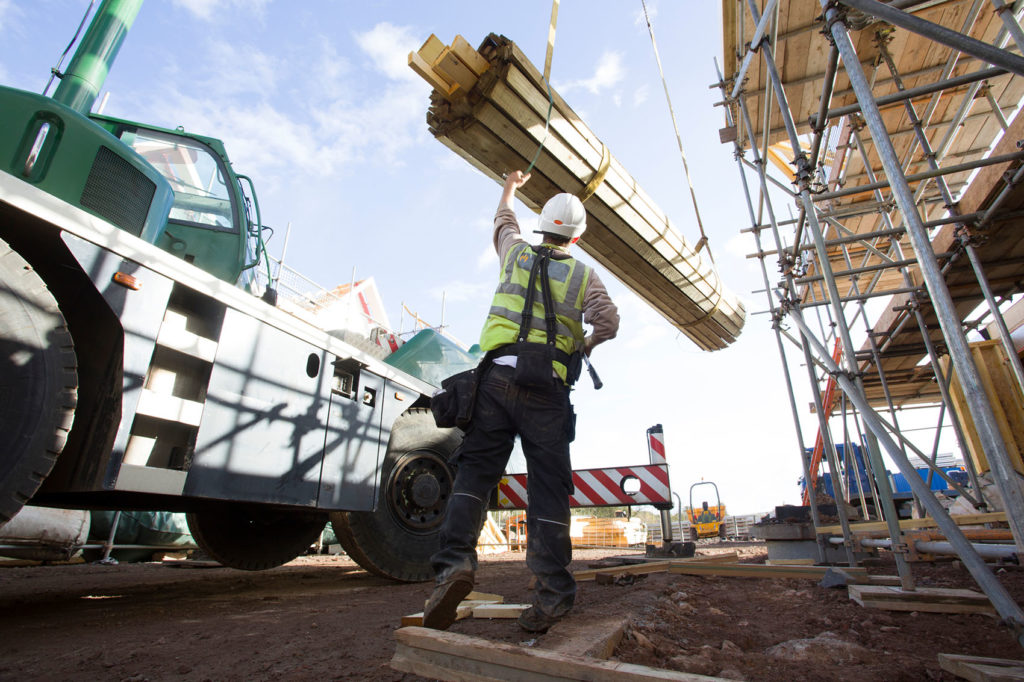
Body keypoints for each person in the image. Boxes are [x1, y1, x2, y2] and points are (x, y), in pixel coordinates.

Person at [423, 170, 620, 634]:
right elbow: (608, 322)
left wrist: (511, 185)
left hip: (493, 381)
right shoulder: (582, 274)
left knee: (474, 473)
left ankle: (454, 568)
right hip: (545, 390)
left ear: (544, 225)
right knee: (548, 488)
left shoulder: (514, 252)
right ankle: (551, 596)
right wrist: (581, 348)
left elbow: (503, 219)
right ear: (575, 237)